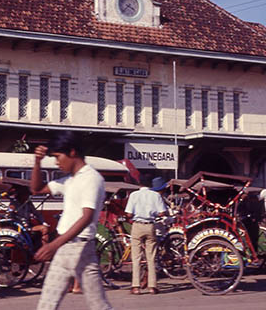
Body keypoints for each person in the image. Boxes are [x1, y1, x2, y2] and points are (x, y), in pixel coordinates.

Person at [30, 131, 112, 310]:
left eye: (58, 157)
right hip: (64, 248)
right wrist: (37, 163)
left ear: (72, 152)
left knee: (98, 306)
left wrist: (52, 245)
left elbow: (87, 217)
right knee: (46, 304)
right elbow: (36, 189)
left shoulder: (92, 178)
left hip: (81, 248)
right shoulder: (69, 180)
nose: (57, 163)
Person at [125, 175, 167, 295]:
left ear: (139, 183)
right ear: (151, 184)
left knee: (136, 257)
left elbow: (128, 213)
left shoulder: (134, 195)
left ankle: (136, 286)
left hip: (137, 225)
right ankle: (152, 286)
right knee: (151, 257)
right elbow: (162, 212)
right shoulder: (156, 196)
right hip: (150, 225)